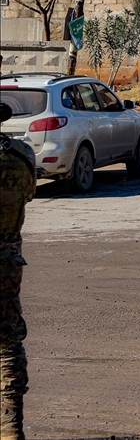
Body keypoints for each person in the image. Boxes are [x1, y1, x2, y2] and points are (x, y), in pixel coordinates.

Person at [0, 102, 35, 440]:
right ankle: (11, 429)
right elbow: (28, 193)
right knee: (7, 343)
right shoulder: (20, 156)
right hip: (6, 264)